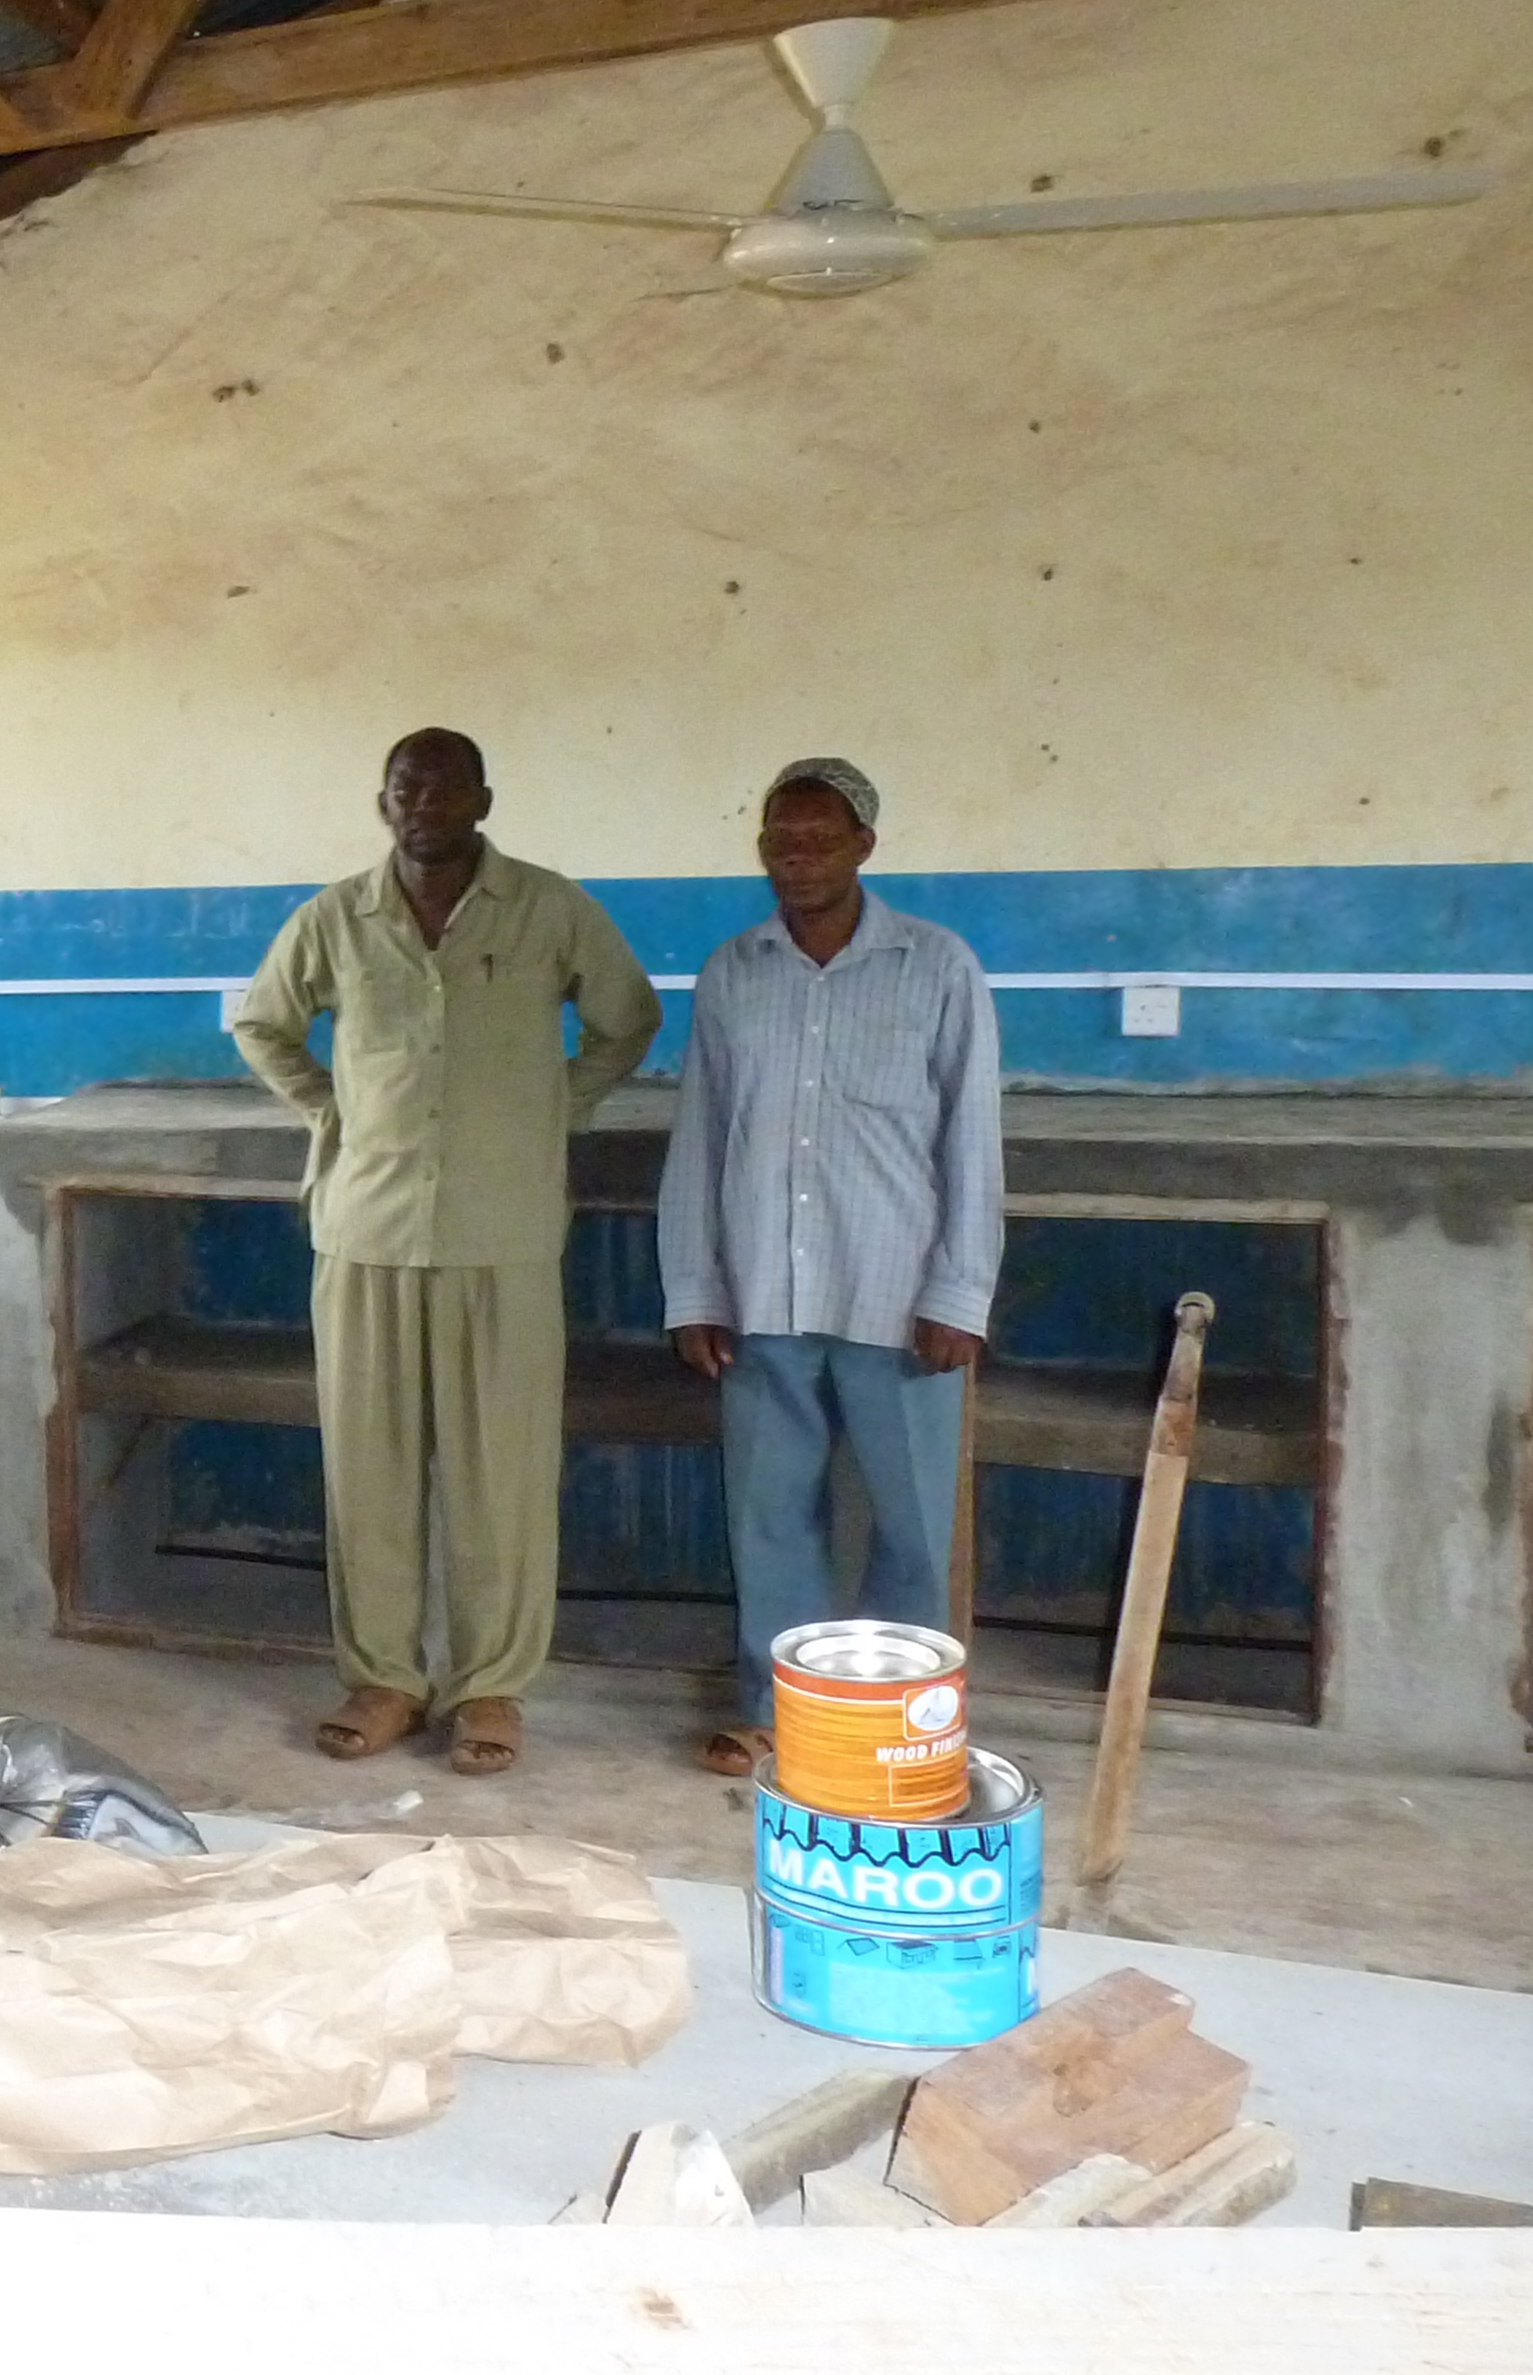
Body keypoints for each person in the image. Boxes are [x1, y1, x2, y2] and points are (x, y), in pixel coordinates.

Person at [231, 729, 661, 1776]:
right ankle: (384, 1678)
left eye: (445, 784)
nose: (423, 801)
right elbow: (262, 1024)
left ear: (484, 798)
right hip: (365, 1230)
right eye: (403, 786)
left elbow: (628, 1018)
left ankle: (491, 1689)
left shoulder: (549, 908)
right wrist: (330, 1113)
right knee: (368, 1466)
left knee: (500, 1472)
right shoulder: (337, 915)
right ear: (383, 804)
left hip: (502, 1233)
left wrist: (553, 1108)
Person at [657, 757, 1004, 1777]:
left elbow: (972, 1140)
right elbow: (701, 1139)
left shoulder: (936, 967)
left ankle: (898, 1724)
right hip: (764, 1290)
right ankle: (776, 1711)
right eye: (777, 838)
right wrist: (696, 1290)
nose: (793, 857)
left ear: (864, 847)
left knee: (910, 1527)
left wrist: (959, 1291)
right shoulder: (734, 974)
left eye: (816, 839)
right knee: (769, 1517)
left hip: (897, 1297)